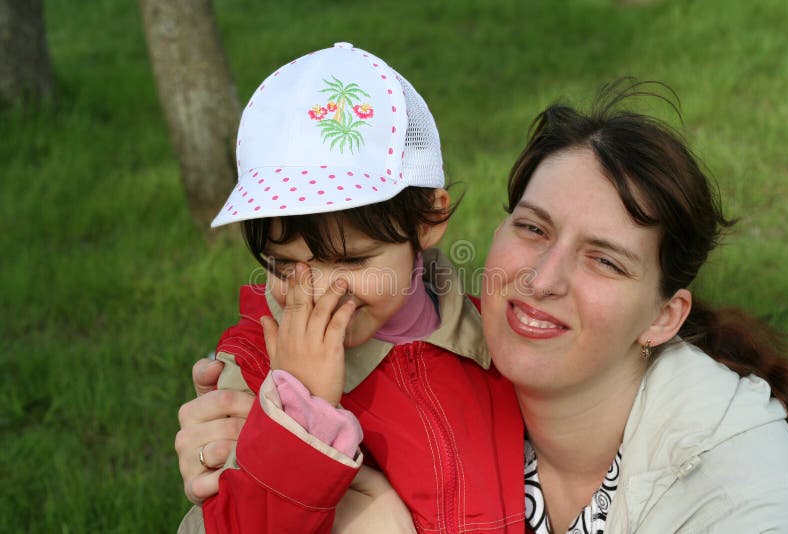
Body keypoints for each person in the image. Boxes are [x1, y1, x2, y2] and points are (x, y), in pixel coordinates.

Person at [177, 80, 788, 533]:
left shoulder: (740, 482)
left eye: (604, 260)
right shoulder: (463, 343)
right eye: (532, 228)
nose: (543, 280)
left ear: (665, 314)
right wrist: (284, 430)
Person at [177, 42, 526, 533]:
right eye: (284, 264)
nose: (318, 292)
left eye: (351, 259)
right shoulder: (256, 372)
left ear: (429, 219)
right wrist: (301, 414)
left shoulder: (496, 341)